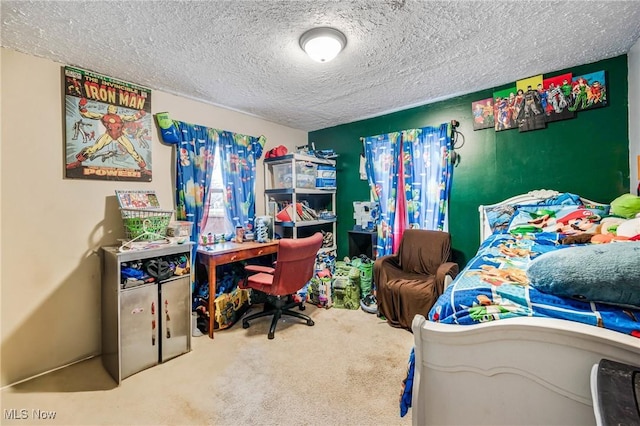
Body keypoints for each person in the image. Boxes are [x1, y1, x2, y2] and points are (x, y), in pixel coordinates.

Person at [66, 99, 150, 174]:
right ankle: (78, 162)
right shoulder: (103, 116)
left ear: (116, 110)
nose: (112, 109)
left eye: (114, 108)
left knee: (132, 150)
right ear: (108, 109)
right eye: (110, 108)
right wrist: (81, 107)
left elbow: (132, 117)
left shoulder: (121, 117)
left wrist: (140, 114)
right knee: (94, 148)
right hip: (108, 135)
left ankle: (143, 168)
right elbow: (88, 114)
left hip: (120, 136)